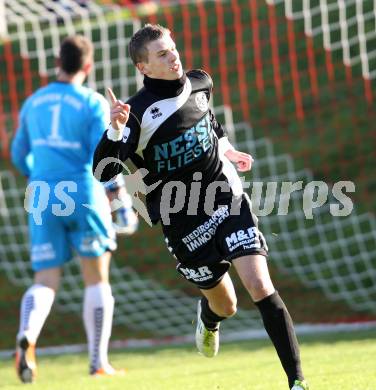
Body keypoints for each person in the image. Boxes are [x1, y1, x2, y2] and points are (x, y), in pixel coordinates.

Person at [92, 24, 309, 390]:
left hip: (226, 198)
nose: (173, 55)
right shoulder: (136, 114)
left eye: (173, 48)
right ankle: (209, 319)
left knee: (258, 283)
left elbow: (211, 123)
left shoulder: (200, 82)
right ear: (143, 67)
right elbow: (105, 170)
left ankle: (297, 382)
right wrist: (114, 131)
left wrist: (228, 150)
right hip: (182, 220)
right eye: (162, 54)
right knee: (226, 305)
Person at [10, 35, 134, 383]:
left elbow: (19, 153)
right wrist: (118, 198)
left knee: (45, 279)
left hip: (42, 192)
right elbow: (104, 155)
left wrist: (39, 175)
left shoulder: (33, 103)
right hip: (81, 192)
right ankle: (98, 362)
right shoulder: (92, 103)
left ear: (56, 64)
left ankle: (28, 337)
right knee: (96, 277)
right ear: (89, 66)